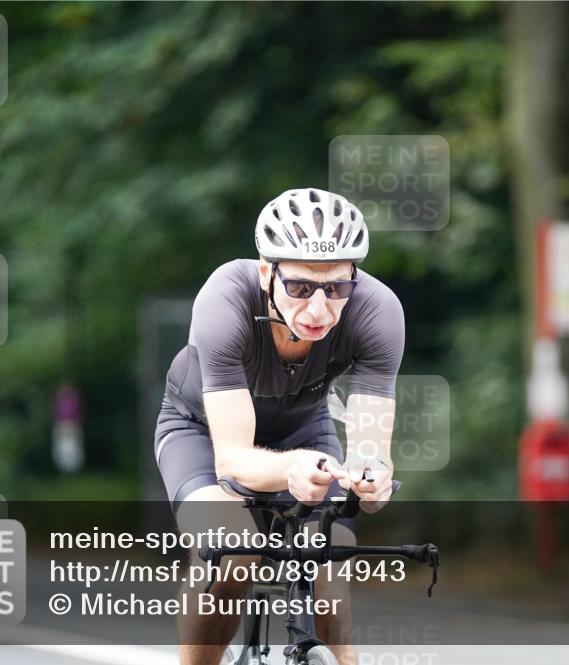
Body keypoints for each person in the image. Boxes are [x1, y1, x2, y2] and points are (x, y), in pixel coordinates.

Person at [154, 188, 405, 665]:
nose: (319, 310)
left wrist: (371, 480)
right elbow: (232, 460)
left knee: (330, 571)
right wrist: (291, 469)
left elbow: (372, 449)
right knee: (233, 552)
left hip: (304, 431)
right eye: (300, 287)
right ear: (267, 273)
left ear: (354, 277)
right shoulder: (225, 298)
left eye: (336, 288)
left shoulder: (378, 311)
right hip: (201, 432)